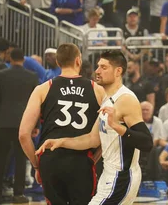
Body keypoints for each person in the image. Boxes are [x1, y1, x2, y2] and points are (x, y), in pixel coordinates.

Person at [36, 50, 153, 205]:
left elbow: (146, 142)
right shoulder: (106, 99)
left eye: (103, 67)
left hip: (122, 176)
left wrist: (116, 126)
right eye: (98, 66)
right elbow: (91, 139)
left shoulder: (126, 99)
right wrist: (60, 142)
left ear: (118, 71)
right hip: (108, 174)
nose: (97, 71)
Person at [19, 43, 105, 205]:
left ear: (58, 63)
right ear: (78, 61)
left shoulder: (43, 89)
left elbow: (23, 134)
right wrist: (94, 158)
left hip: (51, 159)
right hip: (82, 160)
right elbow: (109, 133)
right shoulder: (98, 90)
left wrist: (37, 165)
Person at [0, 48, 38, 203]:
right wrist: (35, 124)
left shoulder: (1, 75)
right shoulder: (32, 76)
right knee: (20, 159)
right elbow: (35, 104)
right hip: (24, 123)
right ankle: (18, 194)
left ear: (10, 58)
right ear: (23, 59)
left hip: (3, 122)